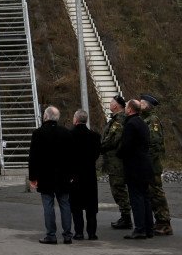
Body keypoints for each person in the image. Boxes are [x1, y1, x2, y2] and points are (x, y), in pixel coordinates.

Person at [28, 105, 74, 244]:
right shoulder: (66, 133)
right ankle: (67, 235)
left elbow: (33, 157)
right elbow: (72, 156)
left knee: (48, 205)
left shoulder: (38, 133)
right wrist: (71, 174)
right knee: (65, 204)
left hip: (45, 176)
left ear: (46, 116)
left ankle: (51, 235)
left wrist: (33, 177)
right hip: (63, 176)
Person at [117, 99, 154, 239]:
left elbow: (127, 145)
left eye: (126, 107)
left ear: (130, 110)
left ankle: (139, 229)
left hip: (135, 166)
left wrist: (119, 153)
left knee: (136, 198)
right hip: (145, 165)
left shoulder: (130, 124)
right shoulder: (142, 123)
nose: (125, 109)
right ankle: (148, 228)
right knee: (145, 198)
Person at [141, 93, 173, 235]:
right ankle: (159, 221)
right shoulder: (144, 119)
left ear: (148, 106)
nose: (139, 105)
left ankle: (164, 223)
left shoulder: (152, 120)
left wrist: (147, 162)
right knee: (151, 194)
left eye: (142, 103)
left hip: (152, 165)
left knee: (157, 194)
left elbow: (154, 143)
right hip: (148, 164)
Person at [100, 95, 133, 229]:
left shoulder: (120, 119)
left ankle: (126, 218)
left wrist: (101, 146)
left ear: (117, 106)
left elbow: (113, 139)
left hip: (117, 161)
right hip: (114, 160)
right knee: (117, 189)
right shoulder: (116, 119)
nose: (110, 104)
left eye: (112, 102)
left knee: (118, 189)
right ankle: (125, 216)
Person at [69, 108, 101, 240]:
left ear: (76, 120)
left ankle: (79, 232)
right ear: (86, 120)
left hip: (75, 175)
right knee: (91, 205)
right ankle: (92, 232)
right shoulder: (95, 136)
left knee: (76, 205)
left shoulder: (69, 135)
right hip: (90, 174)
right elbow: (97, 154)